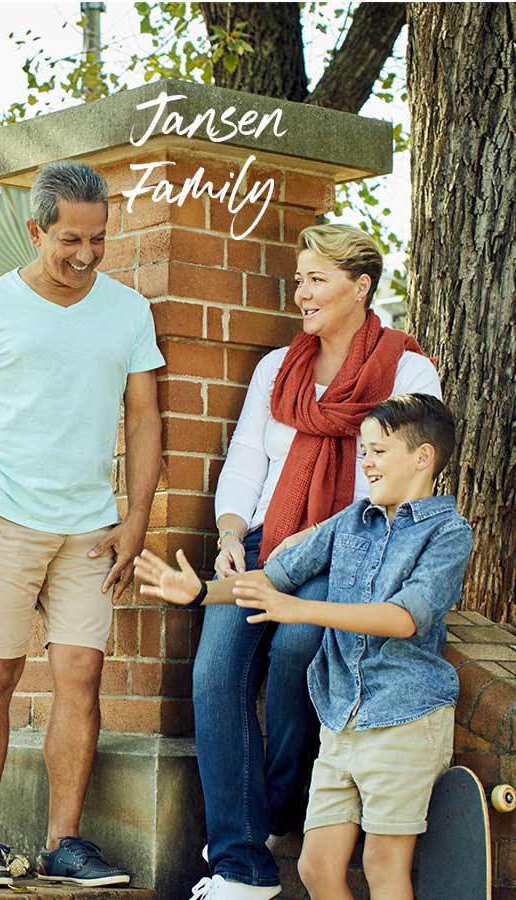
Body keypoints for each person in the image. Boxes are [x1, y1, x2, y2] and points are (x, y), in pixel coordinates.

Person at [187, 224, 442, 899]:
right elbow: (248, 458)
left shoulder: (407, 371)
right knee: (217, 669)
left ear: (360, 287)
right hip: (267, 538)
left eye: (317, 279)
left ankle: (271, 814)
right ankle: (239, 863)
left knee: (300, 648)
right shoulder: (279, 368)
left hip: (348, 543)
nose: (302, 293)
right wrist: (231, 531)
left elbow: (414, 474)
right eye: (299, 279)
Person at [136, 393, 473, 900]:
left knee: (384, 866)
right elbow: (272, 578)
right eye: (364, 450)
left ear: (423, 457)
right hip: (342, 718)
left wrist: (300, 610)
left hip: (404, 716)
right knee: (316, 867)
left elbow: (404, 619)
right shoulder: (350, 522)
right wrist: (203, 593)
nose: (367, 462)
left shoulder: (449, 533)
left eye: (379, 451)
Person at [0, 160, 164, 887]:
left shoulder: (127, 311)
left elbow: (146, 418)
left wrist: (137, 519)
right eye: (70, 239)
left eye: (98, 239)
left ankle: (66, 842)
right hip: (5, 519)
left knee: (80, 675)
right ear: (36, 229)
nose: (87, 255)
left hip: (91, 527)